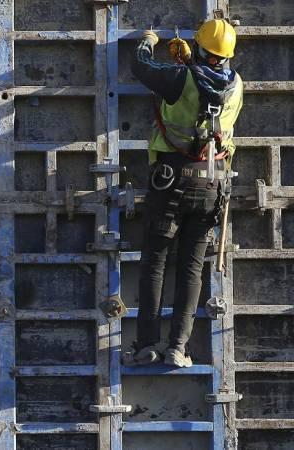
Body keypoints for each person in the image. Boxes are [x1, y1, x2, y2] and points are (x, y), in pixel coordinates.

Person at [124, 19, 243, 367]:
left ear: (202, 48)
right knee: (192, 267)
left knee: (155, 261)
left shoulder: (179, 78)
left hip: (171, 179)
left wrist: (148, 41)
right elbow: (209, 90)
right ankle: (179, 347)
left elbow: (141, 67)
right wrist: (191, 62)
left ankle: (146, 344)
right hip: (213, 183)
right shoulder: (237, 85)